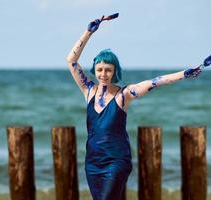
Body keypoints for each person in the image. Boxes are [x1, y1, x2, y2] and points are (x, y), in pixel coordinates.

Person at [66, 17, 201, 200]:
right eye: (99, 70)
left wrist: (184, 74)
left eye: (108, 70)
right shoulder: (88, 90)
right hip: (93, 163)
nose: (103, 74)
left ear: (114, 71)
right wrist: (89, 32)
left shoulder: (124, 95)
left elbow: (154, 82)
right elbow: (71, 61)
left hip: (117, 161)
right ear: (95, 70)